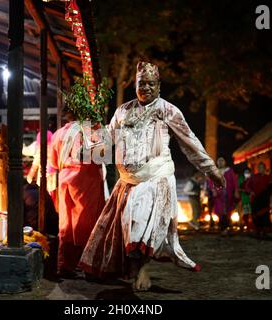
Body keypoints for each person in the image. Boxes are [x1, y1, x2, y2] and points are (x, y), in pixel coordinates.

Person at [79, 62, 225, 291]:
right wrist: (87, 141)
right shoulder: (123, 111)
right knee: (127, 228)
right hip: (128, 181)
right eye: (141, 83)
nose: (145, 87)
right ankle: (133, 270)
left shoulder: (168, 111)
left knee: (138, 223)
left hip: (155, 178)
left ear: (158, 86)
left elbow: (190, 142)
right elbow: (107, 138)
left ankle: (142, 270)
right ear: (135, 85)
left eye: (150, 84)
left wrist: (211, 170)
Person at [49, 108, 106, 278]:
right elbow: (104, 157)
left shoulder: (58, 134)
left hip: (66, 179)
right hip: (87, 180)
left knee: (67, 225)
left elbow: (53, 161)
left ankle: (65, 265)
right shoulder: (91, 131)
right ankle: (89, 266)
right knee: (89, 224)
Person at [208, 157, 238, 236]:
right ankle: (223, 228)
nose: (220, 162)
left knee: (227, 211)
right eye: (219, 160)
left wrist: (236, 191)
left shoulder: (229, 171)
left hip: (228, 194)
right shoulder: (214, 171)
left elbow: (234, 181)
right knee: (220, 211)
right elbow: (211, 182)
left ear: (225, 162)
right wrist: (213, 190)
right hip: (218, 195)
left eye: (222, 160)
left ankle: (225, 228)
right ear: (217, 162)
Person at [245, 162, 272, 239]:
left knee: (265, 216)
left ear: (264, 168)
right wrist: (251, 191)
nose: (260, 169)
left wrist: (270, 199)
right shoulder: (253, 177)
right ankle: (257, 231)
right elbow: (247, 186)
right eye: (259, 167)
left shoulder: (268, 178)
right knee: (256, 216)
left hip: (264, 200)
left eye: (262, 167)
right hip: (255, 199)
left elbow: (271, 188)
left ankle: (264, 232)